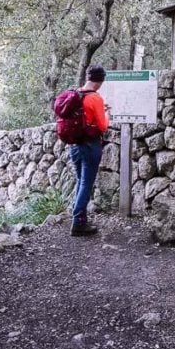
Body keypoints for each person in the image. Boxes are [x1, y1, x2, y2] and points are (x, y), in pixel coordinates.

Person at [68, 65, 109, 236]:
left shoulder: (76, 94)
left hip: (74, 145)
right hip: (90, 144)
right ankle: (78, 221)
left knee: (80, 180)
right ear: (100, 81)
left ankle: (81, 218)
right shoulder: (95, 98)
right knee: (86, 183)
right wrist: (107, 114)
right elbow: (103, 126)